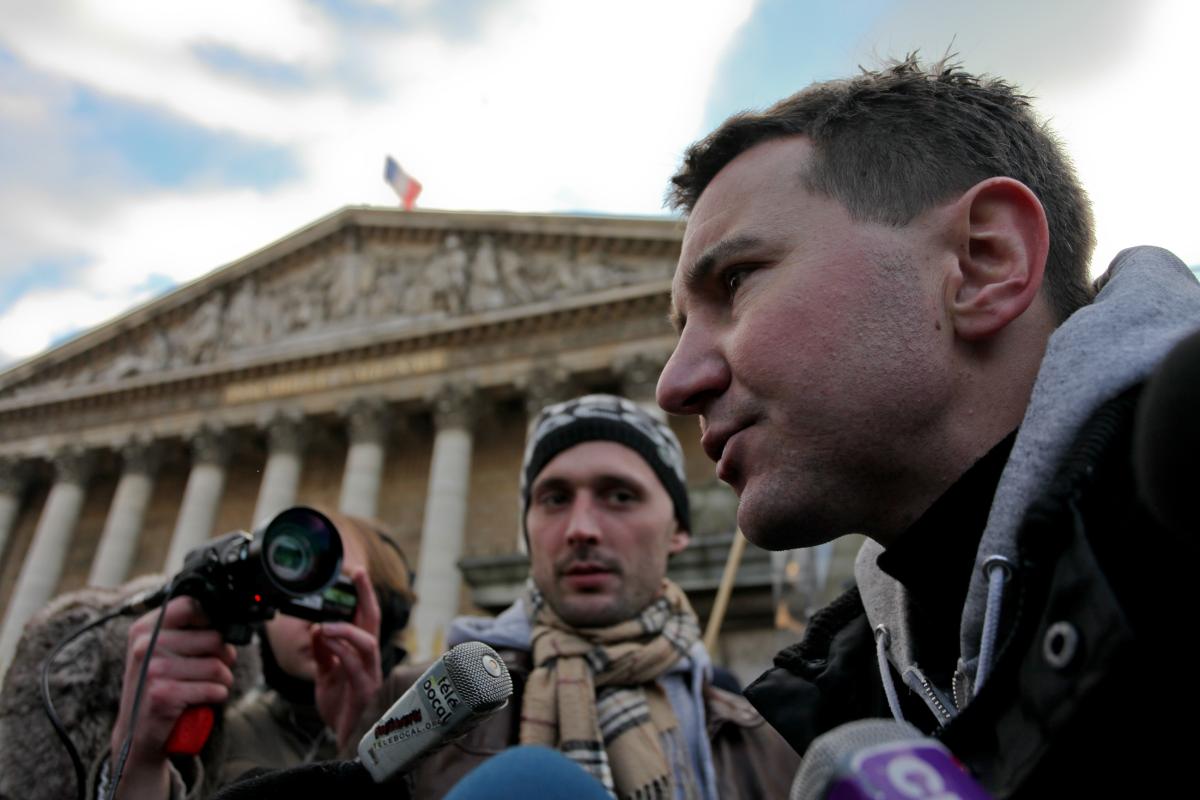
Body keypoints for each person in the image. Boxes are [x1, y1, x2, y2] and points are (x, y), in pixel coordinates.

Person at [654, 54, 1200, 797]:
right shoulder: (834, 711)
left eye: (737, 281)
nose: (674, 386)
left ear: (984, 261)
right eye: (680, 330)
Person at [361, 394, 798, 799]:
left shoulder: (769, 746)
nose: (581, 529)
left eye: (620, 496)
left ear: (679, 530)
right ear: (527, 528)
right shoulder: (412, 707)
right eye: (555, 499)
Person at [99, 510, 415, 799]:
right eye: (295, 588)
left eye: (336, 592)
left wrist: (369, 746)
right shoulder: (218, 741)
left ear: (387, 615)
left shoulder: (435, 727)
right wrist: (138, 759)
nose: (313, 619)